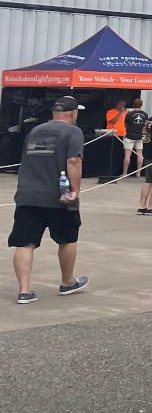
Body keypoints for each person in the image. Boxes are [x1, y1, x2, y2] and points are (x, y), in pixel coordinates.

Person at [9, 96, 88, 304]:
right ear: (73, 113)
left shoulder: (35, 131)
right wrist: (75, 190)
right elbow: (73, 160)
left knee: (24, 243)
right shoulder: (73, 131)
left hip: (28, 195)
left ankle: (24, 291)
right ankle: (68, 282)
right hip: (58, 196)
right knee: (67, 238)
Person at [120, 97, 147, 179]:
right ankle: (138, 173)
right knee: (140, 155)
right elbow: (145, 126)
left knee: (127, 156)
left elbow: (125, 124)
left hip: (129, 136)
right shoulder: (145, 114)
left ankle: (125, 173)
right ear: (141, 105)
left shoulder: (129, 114)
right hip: (139, 136)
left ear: (133, 104)